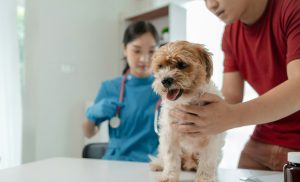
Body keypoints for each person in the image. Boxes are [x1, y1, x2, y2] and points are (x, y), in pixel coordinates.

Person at [169, 0, 300, 171]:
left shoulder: (292, 7)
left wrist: (231, 117)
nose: (211, 5)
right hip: (264, 138)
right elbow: (231, 95)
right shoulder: (230, 33)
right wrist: (195, 114)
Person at [83, 21, 160, 162]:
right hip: (116, 164)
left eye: (151, 51)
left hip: (153, 166)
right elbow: (88, 133)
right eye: (137, 51)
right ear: (124, 49)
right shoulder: (110, 88)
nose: (144, 59)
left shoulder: (166, 90)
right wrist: (91, 115)